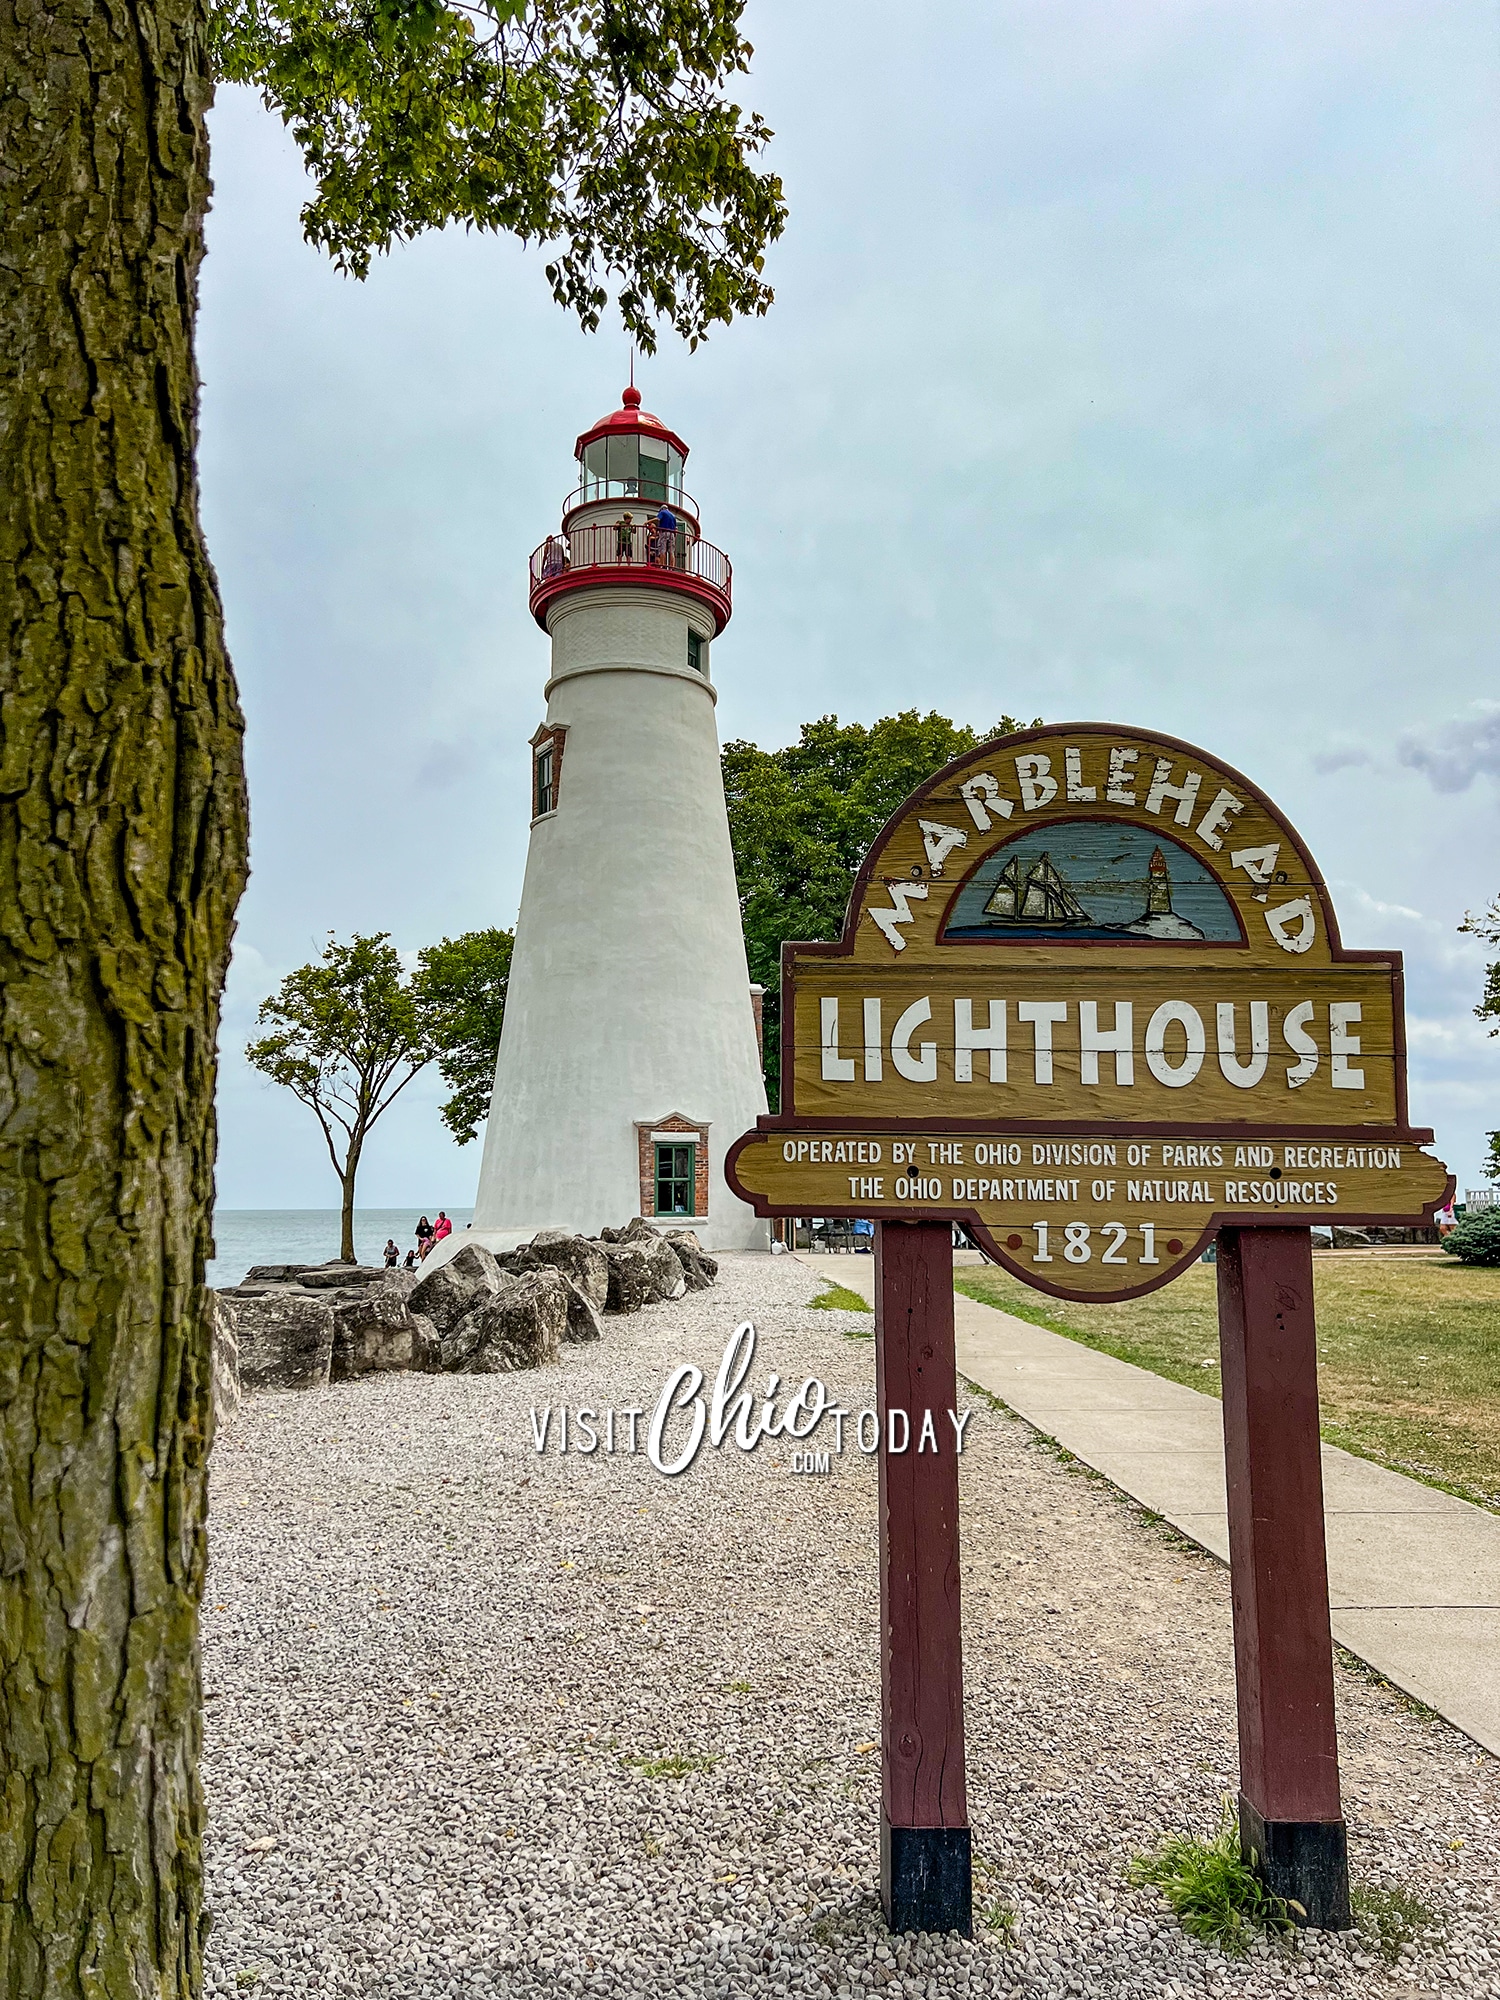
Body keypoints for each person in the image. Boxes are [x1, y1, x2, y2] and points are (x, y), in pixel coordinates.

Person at [654, 503, 677, 567]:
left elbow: (658, 519)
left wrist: (648, 521)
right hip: (672, 534)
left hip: (664, 533)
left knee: (662, 550)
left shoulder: (662, 512)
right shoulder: (673, 516)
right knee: (671, 552)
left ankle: (662, 565)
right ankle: (672, 566)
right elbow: (675, 528)